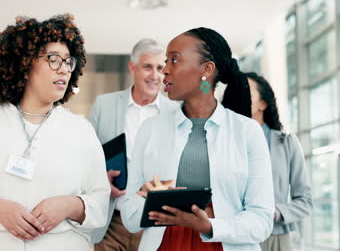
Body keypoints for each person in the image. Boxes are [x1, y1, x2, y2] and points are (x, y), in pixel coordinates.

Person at [0, 14, 110, 251]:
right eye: (53, 59)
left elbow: (100, 202)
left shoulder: (81, 130)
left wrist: (69, 205)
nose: (63, 69)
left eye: (68, 61)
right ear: (25, 64)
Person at [122, 27, 275, 251]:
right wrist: (147, 198)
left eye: (174, 60)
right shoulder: (150, 129)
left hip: (223, 243)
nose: (165, 70)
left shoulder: (248, 131)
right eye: (167, 61)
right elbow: (129, 218)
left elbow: (262, 221)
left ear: (206, 69)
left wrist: (210, 226)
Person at [88, 38, 177, 251]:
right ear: (132, 67)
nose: (155, 75)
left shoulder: (176, 112)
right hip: (111, 223)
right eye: (148, 67)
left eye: (160, 68)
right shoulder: (104, 105)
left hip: (154, 224)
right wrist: (100, 182)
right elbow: (86, 158)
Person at [246, 72, 312, 251]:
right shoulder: (226, 142)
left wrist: (275, 212)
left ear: (262, 104)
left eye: (246, 90)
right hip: (237, 235)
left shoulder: (286, 143)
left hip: (276, 237)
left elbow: (305, 201)